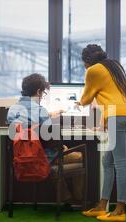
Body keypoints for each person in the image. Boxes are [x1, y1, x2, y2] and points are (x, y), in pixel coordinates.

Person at [77, 44, 126, 222]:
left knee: (120, 163)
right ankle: (102, 206)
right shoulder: (114, 66)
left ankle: (120, 210)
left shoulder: (93, 70)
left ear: (86, 60)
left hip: (115, 117)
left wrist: (86, 72)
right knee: (108, 160)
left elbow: (86, 99)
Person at [7, 73, 84, 208]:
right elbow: (50, 137)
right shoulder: (40, 110)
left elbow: (25, 125)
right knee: (79, 156)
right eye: (43, 93)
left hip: (21, 158)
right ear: (38, 91)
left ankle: (67, 197)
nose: (42, 96)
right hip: (42, 158)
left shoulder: (12, 110)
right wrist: (62, 148)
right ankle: (76, 199)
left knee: (55, 154)